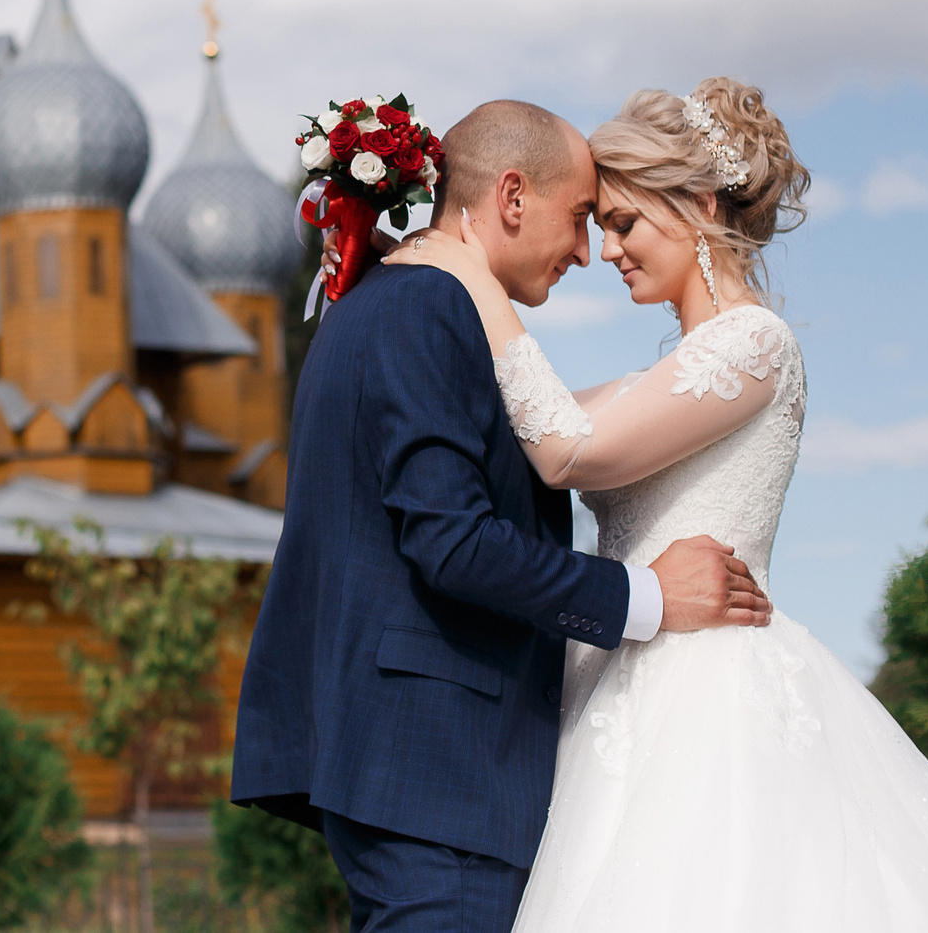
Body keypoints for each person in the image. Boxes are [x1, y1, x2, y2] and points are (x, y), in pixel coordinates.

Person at [397, 80, 928, 931]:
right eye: (600, 224)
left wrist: (466, 275)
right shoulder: (655, 382)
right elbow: (520, 418)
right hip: (607, 683)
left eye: (624, 222)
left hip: (705, 690)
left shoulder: (755, 344)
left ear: (701, 205)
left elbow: (567, 451)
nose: (608, 249)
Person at [231, 98, 773, 933]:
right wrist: (651, 596)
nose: (587, 251)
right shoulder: (425, 305)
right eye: (583, 217)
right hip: (442, 774)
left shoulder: (384, 301)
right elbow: (453, 541)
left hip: (422, 771)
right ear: (513, 197)